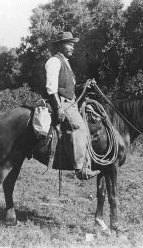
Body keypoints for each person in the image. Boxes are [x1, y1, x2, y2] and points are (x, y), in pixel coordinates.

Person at [45, 31, 100, 180]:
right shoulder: (54, 61)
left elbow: (69, 88)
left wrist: (85, 86)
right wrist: (59, 108)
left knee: (88, 125)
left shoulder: (66, 62)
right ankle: (80, 169)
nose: (72, 47)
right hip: (63, 103)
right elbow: (51, 88)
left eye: (73, 44)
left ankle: (88, 163)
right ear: (61, 45)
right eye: (69, 44)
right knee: (79, 127)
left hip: (72, 102)